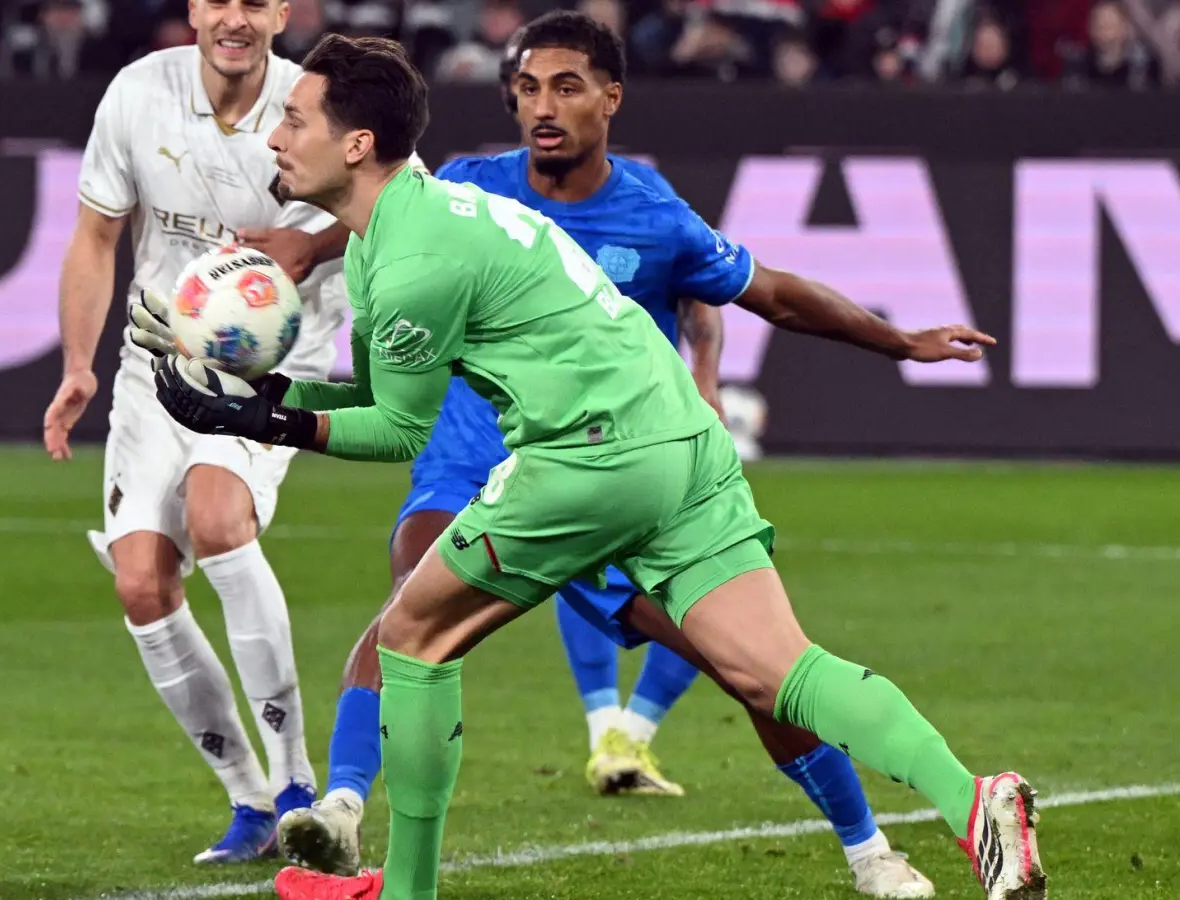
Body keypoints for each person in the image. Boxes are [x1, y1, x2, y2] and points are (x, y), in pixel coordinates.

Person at [143, 33, 1045, 900]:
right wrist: (260, 406)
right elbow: (377, 401)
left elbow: (401, 434)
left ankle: (405, 890)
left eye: (294, 119)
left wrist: (256, 420)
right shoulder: (419, 221)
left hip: (589, 459)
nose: (275, 136)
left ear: (359, 141)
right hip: (685, 446)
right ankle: (975, 803)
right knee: (782, 670)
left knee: (410, 639)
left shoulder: (410, 261)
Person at [39, 0, 357, 865]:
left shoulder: (321, 102)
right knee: (141, 583)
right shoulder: (140, 94)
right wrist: (78, 365)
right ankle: (250, 803)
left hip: (275, 363)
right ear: (194, 8)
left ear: (280, 12)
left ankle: (298, 786)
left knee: (218, 518)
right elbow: (96, 234)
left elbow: (395, 196)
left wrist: (312, 247)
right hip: (159, 359)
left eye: (256, 2)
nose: (236, 18)